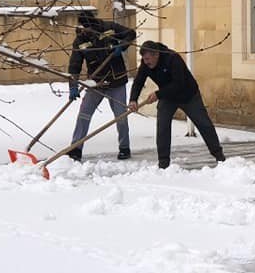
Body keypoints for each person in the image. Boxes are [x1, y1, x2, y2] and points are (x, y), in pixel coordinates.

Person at [128, 41, 225, 168]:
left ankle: (219, 157)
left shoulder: (172, 59)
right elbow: (138, 81)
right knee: (162, 126)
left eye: (147, 59)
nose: (146, 62)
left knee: (204, 124)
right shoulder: (146, 64)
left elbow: (179, 83)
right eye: (144, 59)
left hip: (188, 95)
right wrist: (133, 99)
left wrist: (158, 94)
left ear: (156, 54)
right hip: (168, 97)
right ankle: (163, 163)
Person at [67, 11, 137, 162]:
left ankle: (124, 148)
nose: (87, 30)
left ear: (93, 23)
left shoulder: (109, 28)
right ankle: (75, 149)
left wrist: (122, 46)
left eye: (89, 27)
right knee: (84, 115)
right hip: (96, 83)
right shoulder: (79, 40)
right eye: (84, 28)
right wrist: (72, 86)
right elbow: (74, 66)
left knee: (121, 117)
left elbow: (130, 33)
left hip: (116, 80)